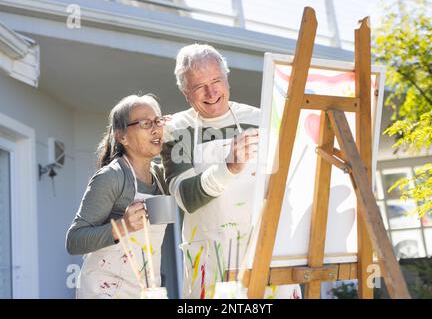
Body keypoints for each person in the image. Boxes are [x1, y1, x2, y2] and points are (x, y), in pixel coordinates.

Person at [161, 44, 301, 299]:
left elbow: (288, 185)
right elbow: (186, 198)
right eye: (199, 86)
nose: (211, 91)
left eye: (216, 80)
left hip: (268, 256)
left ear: (227, 79)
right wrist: (229, 168)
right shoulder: (177, 129)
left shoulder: (261, 119)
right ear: (185, 92)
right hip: (211, 263)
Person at [66, 94, 170, 299]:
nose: (155, 128)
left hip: (146, 290)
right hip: (105, 291)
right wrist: (123, 226)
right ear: (121, 136)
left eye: (158, 121)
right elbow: (74, 240)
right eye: (145, 123)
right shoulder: (111, 177)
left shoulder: (160, 176)